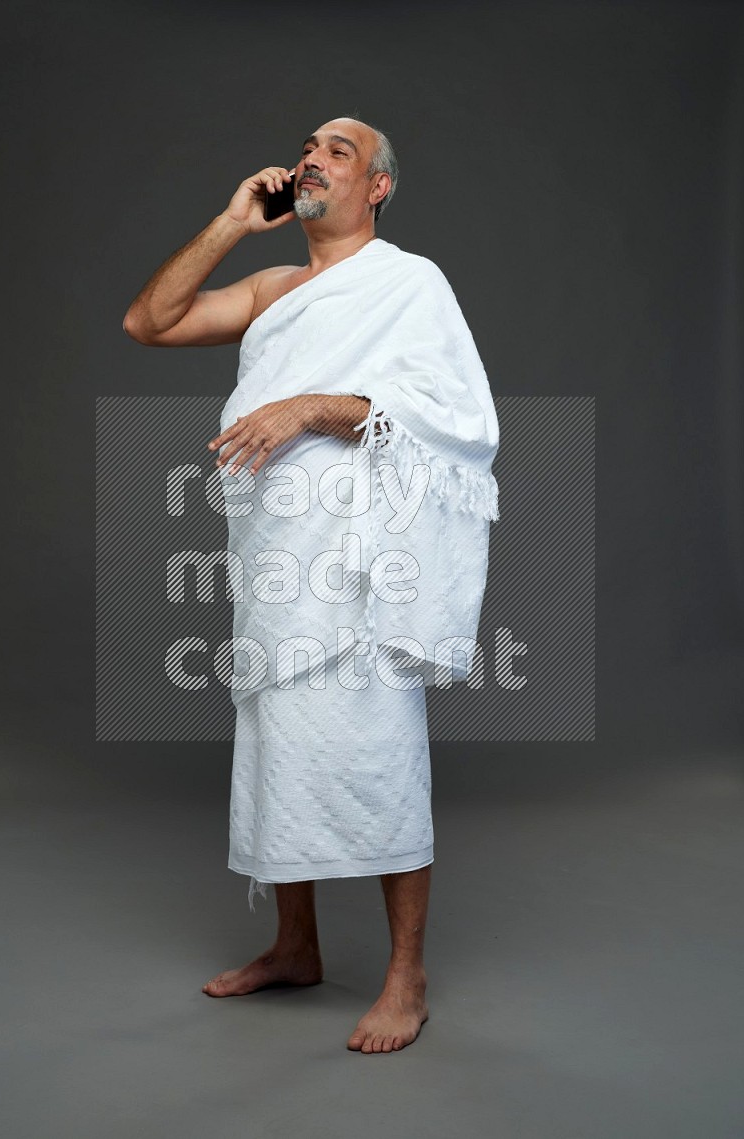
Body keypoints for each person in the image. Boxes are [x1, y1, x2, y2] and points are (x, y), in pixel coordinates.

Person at [122, 116, 499, 1054]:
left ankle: (405, 977)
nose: (311, 158)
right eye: (308, 148)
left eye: (338, 149)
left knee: (380, 754)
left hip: (365, 566)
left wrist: (311, 406)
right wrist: (230, 221)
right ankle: (295, 945)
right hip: (275, 554)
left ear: (378, 186)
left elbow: (455, 417)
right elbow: (149, 321)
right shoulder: (272, 287)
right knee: (282, 745)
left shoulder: (411, 285)